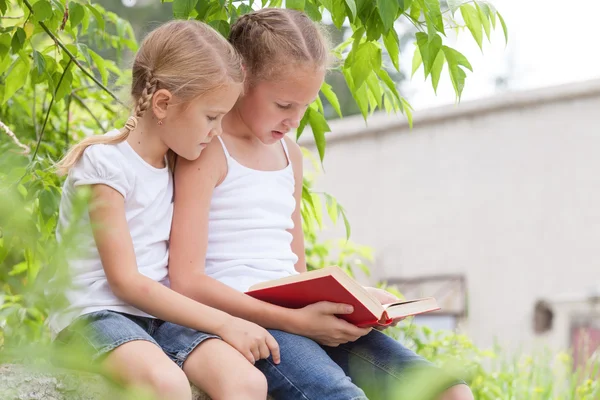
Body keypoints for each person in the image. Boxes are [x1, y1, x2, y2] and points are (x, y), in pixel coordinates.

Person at [169, 8, 474, 400]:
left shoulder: (289, 155)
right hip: (246, 321)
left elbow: (296, 274)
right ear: (242, 77)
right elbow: (187, 281)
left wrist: (357, 299)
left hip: (297, 317)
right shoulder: (208, 150)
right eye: (283, 106)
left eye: (304, 106)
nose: (294, 119)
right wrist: (298, 322)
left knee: (450, 391)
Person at [49, 19, 279, 400]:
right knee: (167, 383)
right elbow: (125, 281)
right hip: (94, 315)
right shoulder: (105, 165)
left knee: (248, 382)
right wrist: (225, 322)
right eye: (211, 117)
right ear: (163, 104)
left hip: (159, 318)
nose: (218, 131)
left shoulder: (179, 165)